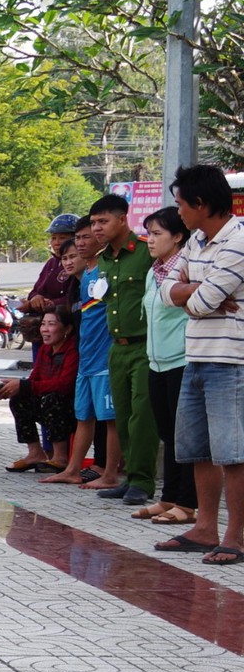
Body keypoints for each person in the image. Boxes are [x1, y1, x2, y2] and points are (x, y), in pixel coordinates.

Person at [158, 163, 244, 564]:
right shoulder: (195, 241)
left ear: (201, 203)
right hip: (197, 356)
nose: (178, 213)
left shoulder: (238, 241)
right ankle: (205, 528)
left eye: (181, 205)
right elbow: (165, 290)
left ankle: (235, 536)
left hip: (231, 361)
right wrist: (193, 291)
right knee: (198, 450)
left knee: (233, 452)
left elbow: (199, 302)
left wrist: (191, 294)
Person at [90, 192, 158, 505]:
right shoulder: (103, 258)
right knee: (122, 414)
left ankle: (143, 482)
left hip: (144, 346)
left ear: (122, 219)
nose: (97, 228)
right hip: (116, 347)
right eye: (93, 223)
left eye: (103, 221)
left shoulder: (146, 252)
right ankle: (129, 477)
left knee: (142, 416)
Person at [42, 223, 118, 487]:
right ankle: (73, 468)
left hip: (104, 359)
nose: (83, 243)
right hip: (86, 359)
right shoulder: (86, 276)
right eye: (79, 238)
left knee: (109, 420)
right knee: (83, 416)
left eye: (87, 238)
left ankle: (110, 473)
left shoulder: (108, 271)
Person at [137, 208, 196, 524]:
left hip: (183, 361)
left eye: (157, 233)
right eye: (148, 233)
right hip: (156, 363)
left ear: (178, 236)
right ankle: (169, 497)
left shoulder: (188, 270)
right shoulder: (154, 272)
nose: (150, 240)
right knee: (167, 432)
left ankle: (187, 504)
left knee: (184, 436)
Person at [0, 304, 77, 474]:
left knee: (53, 398)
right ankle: (35, 453)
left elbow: (65, 385)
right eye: (43, 324)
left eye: (51, 324)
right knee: (19, 398)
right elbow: (34, 379)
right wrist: (13, 387)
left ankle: (60, 457)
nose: (45, 329)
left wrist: (25, 385)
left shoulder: (73, 350)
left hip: (69, 408)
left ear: (67, 328)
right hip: (47, 404)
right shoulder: (45, 349)